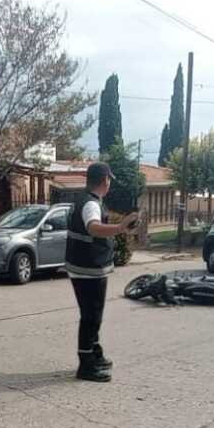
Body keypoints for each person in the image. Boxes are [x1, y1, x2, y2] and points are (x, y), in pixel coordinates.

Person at [66, 162, 139, 382]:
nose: (110, 184)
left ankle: (94, 354)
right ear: (105, 180)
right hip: (88, 269)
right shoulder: (91, 204)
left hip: (83, 266)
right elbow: (93, 227)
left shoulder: (85, 200)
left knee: (92, 315)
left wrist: (121, 227)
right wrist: (120, 227)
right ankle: (86, 365)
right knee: (91, 317)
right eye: (109, 180)